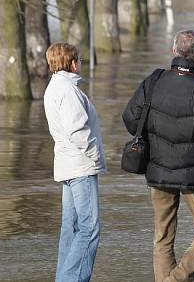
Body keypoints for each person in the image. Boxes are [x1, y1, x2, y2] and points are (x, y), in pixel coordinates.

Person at [122, 30, 194, 282]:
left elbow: (130, 120)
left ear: (174, 51)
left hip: (158, 169)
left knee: (163, 237)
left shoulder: (153, 81)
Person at [43, 42, 106, 282]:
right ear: (71, 63)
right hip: (80, 165)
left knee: (70, 228)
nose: (80, 63)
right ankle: (71, 279)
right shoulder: (68, 90)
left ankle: (64, 277)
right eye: (78, 59)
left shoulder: (54, 88)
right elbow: (77, 130)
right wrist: (96, 155)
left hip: (67, 165)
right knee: (89, 229)